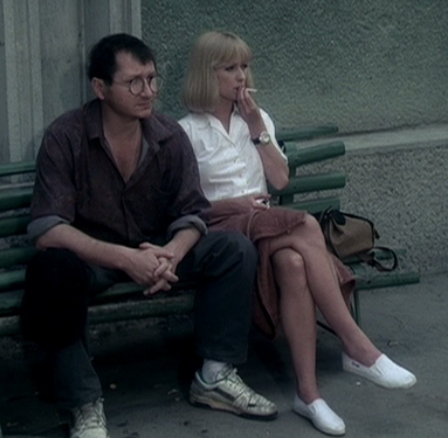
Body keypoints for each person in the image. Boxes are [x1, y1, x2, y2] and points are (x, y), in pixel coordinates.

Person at [19, 33, 278, 438]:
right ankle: (83, 403)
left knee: (233, 249)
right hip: (95, 259)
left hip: (157, 251)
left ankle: (214, 376)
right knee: (53, 272)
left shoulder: (168, 135)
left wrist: (172, 251)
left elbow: (193, 212)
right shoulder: (66, 136)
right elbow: (47, 230)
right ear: (100, 88)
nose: (148, 92)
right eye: (134, 82)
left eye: (152, 79)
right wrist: (126, 259)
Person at [178, 31, 417, 436]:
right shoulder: (185, 131)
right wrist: (237, 205)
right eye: (230, 68)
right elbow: (186, 208)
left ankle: (308, 395)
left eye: (245, 66)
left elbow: (280, 180)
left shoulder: (258, 119)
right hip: (222, 232)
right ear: (207, 73)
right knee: (304, 223)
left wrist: (257, 128)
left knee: (292, 263)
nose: (241, 76)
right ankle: (356, 345)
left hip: (264, 226)